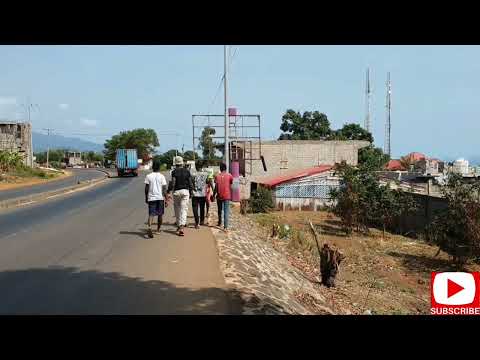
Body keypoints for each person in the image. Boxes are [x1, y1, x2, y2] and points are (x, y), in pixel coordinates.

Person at [167, 156, 193, 236]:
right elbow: (190, 182)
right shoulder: (187, 171)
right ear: (182, 163)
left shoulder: (174, 172)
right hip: (185, 192)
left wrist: (169, 191)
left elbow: (173, 182)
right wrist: (191, 191)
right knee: (184, 209)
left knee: (177, 209)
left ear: (176, 163)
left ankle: (178, 225)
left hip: (177, 192)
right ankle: (182, 227)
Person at [144, 159, 168, 238]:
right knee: (160, 214)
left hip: (151, 198)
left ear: (153, 166)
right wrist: (166, 199)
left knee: (151, 214)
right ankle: (158, 229)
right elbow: (164, 189)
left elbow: (146, 189)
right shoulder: (162, 176)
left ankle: (149, 227)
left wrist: (146, 197)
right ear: (159, 167)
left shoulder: (148, 176)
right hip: (160, 198)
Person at [213, 163, 233, 232]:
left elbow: (216, 187)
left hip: (219, 196)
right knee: (226, 211)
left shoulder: (217, 176)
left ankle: (219, 222)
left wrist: (213, 195)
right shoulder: (230, 175)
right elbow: (231, 183)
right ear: (226, 168)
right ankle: (226, 227)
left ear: (220, 169)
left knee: (219, 210)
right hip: (227, 196)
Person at [191, 164, 208, 229]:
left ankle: (197, 223)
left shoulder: (193, 174)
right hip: (203, 194)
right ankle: (202, 221)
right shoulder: (205, 174)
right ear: (202, 167)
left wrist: (192, 189)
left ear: (196, 167)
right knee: (202, 208)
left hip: (195, 194)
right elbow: (208, 181)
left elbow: (191, 183)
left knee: (195, 208)